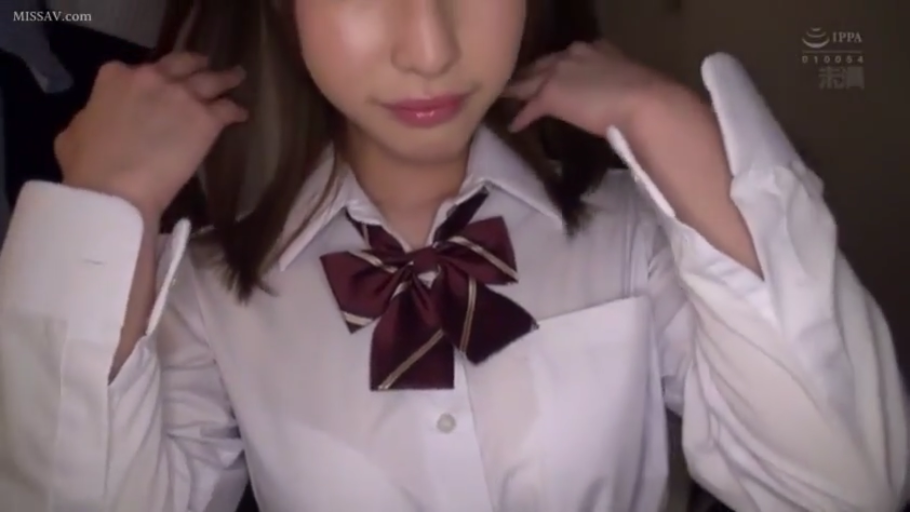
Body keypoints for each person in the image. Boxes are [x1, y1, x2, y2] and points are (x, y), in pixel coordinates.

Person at [0, 0, 907, 511]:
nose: (429, 50)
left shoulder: (636, 232)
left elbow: (845, 489)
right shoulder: (207, 293)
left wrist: (675, 127)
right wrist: (101, 208)